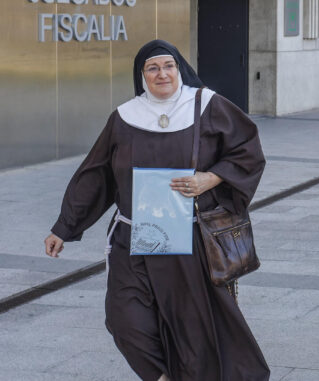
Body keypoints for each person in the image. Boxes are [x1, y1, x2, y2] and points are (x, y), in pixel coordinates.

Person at [43, 40, 270, 381]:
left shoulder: (208, 106)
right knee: (124, 320)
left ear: (180, 68)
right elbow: (97, 174)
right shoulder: (124, 117)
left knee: (192, 330)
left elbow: (247, 151)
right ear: (142, 76)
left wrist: (210, 178)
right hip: (133, 237)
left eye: (169, 65)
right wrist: (64, 226)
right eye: (153, 68)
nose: (162, 73)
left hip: (189, 239)